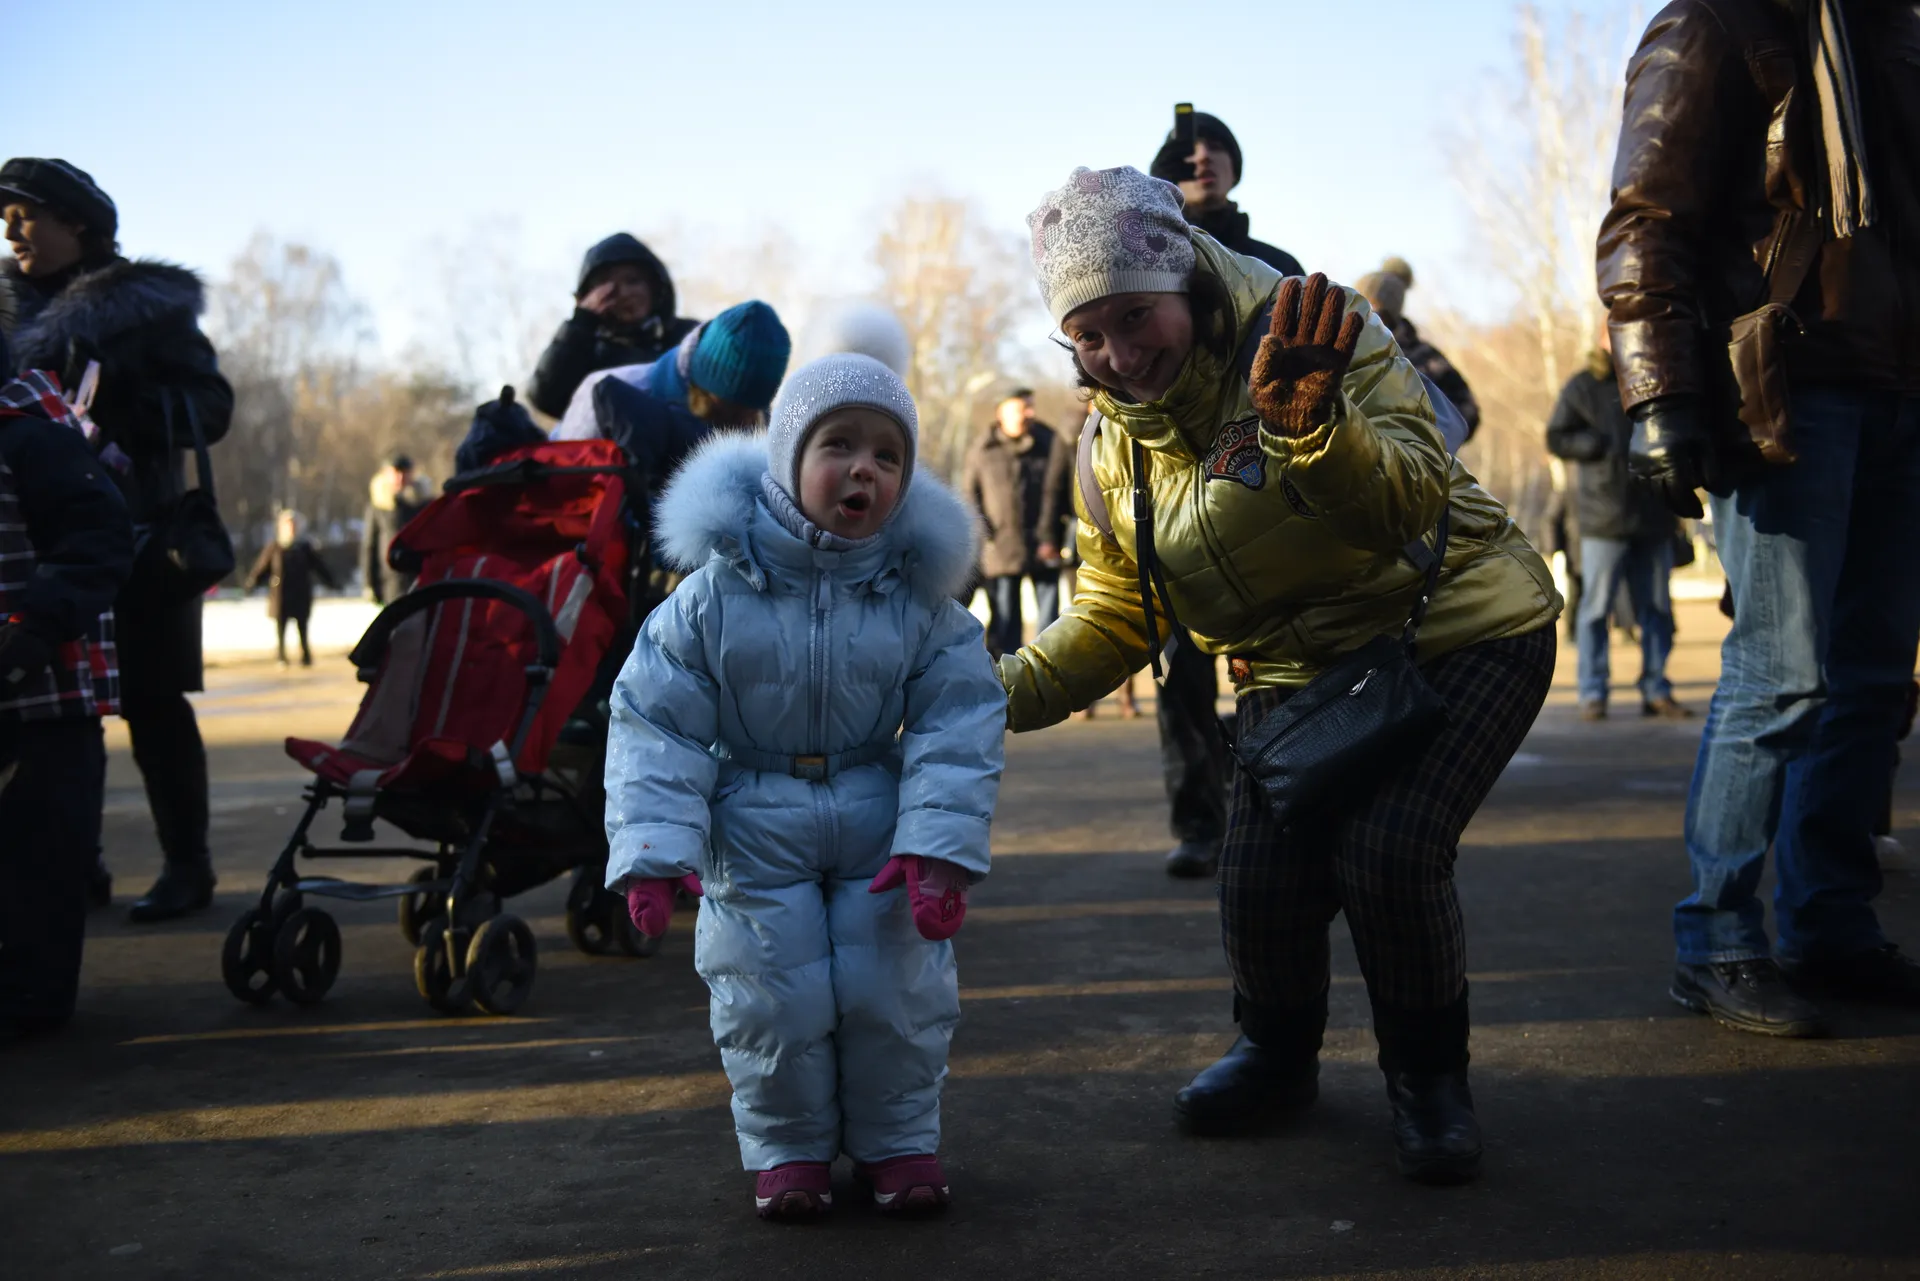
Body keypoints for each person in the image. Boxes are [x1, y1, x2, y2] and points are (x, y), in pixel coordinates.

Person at [1006, 166, 1561, 1183]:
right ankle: (1276, 1054)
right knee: (1257, 881)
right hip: (1295, 676)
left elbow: (1411, 498)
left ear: (1185, 285)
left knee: (1390, 853)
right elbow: (1121, 609)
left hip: (1457, 626)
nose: (1122, 356)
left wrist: (1312, 433)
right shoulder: (1109, 450)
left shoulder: (1318, 330)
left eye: (1137, 316)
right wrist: (985, 693)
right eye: (1089, 334)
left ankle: (1429, 1081)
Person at [603, 353, 1004, 1219]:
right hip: (751, 816)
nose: (864, 468)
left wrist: (938, 844)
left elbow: (958, 718)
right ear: (788, 459)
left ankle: (900, 1138)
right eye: (840, 444)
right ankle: (788, 1147)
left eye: (887, 455)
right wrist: (652, 847)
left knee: (895, 987)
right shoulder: (711, 598)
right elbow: (656, 721)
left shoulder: (918, 604)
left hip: (877, 815)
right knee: (767, 994)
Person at [1599, 0, 1920, 1035]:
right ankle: (1720, 940)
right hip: (1789, 393)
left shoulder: (1899, 32)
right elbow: (1646, 219)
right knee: (1783, 674)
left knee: (1873, 680)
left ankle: (1832, 928)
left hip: (1899, 387)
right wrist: (1659, 396)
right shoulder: (1715, 23)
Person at [0, 157, 234, 924]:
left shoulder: (146, 308)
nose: (10, 228)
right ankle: (73, 863)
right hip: (29, 540)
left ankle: (188, 866)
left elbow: (212, 405)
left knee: (152, 701)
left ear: (79, 224)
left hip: (136, 535)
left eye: (26, 213)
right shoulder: (2, 310)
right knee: (42, 710)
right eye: (4, 215)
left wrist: (132, 401)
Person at [1146, 113, 1304, 879]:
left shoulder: (1276, 265)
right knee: (1180, 672)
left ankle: (1273, 813)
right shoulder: (1141, 269)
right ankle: (1198, 823)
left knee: (1272, 671)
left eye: (1217, 146)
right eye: (1184, 152)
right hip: (1172, 504)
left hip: (1266, 502)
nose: (1202, 157)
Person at [0, 366, 133, 1045]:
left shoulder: (32, 441)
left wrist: (36, 627)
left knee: (42, 852)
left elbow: (97, 537)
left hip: (43, 692)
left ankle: (32, 993)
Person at [1545, 333, 1689, 721]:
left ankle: (1657, 690)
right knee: (1595, 610)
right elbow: (1556, 436)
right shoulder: (1584, 384)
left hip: (1655, 513)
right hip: (1602, 516)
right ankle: (1593, 693)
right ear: (1603, 340)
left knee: (1657, 609)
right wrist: (1597, 445)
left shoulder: (1660, 376)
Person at [550, 299, 791, 455]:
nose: (740, 420)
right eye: (728, 406)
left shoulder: (760, 424)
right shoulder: (606, 395)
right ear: (703, 383)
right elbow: (568, 493)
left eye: (749, 409)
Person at [524, 233, 697, 419]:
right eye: (609, 288)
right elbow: (545, 397)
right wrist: (582, 321)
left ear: (655, 287)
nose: (624, 294)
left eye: (633, 281)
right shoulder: (587, 354)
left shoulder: (688, 338)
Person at [961, 388, 1072, 656]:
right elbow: (968, 497)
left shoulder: (1049, 442)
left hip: (1045, 544)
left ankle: (1048, 682)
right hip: (1001, 549)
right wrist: (985, 536)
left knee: (1049, 624)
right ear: (1003, 412)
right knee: (1005, 624)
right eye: (1023, 407)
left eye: (1031, 407)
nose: (1030, 413)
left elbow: (1063, 491)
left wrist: (1059, 536)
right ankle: (1004, 685)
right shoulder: (982, 449)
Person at [1150, 111, 1304, 275]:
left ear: (1234, 171)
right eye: (1188, 151)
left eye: (1215, 147)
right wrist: (1153, 191)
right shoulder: (1147, 259)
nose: (1203, 156)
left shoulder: (1280, 268)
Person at [1355, 259, 1481, 443]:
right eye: (1356, 307)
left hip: (1406, 464)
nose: (1364, 318)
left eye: (1372, 310)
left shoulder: (1425, 358)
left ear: (1389, 315)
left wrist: (1426, 442)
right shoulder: (1338, 349)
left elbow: (1466, 413)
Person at [246, 510, 338, 668]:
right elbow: (262, 568)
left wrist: (332, 583)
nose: (292, 529)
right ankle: (281, 656)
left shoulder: (304, 548)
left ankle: (305, 655)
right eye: (288, 525)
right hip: (281, 593)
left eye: (294, 525)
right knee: (281, 626)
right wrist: (252, 583)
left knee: (302, 625)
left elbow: (319, 567)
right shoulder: (274, 547)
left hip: (300, 593)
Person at [360, 454, 428, 606]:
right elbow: (370, 546)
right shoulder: (378, 507)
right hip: (390, 582)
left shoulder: (424, 504)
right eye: (396, 472)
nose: (400, 477)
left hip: (420, 578)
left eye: (405, 472)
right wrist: (369, 583)